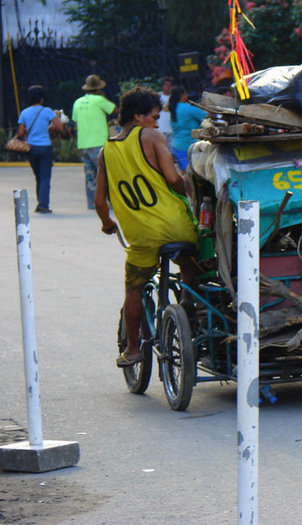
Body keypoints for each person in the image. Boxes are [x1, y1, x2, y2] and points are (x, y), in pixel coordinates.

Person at [94, 87, 198, 367]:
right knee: (191, 265)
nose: (156, 122)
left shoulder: (106, 152)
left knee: (134, 289)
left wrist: (107, 224)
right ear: (138, 116)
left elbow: (100, 202)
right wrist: (191, 187)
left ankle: (132, 348)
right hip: (177, 227)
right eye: (153, 117)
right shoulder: (151, 136)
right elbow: (174, 180)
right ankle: (187, 304)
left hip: (140, 236)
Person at [16, 85, 63, 213]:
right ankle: (43, 204)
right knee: (45, 177)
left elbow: (20, 132)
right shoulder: (47, 111)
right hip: (45, 147)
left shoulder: (24, 112)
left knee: (38, 176)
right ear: (42, 98)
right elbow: (59, 127)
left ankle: (40, 202)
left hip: (31, 148)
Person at [72, 74, 117, 209]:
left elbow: (75, 121)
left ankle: (93, 202)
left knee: (90, 175)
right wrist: (104, 98)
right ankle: (110, 202)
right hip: (98, 144)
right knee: (105, 173)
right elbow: (115, 110)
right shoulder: (99, 100)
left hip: (83, 144)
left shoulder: (78, 102)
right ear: (99, 89)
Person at [169, 86, 207, 171]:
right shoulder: (187, 108)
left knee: (185, 174)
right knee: (194, 175)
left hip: (177, 146)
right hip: (188, 146)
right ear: (182, 95)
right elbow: (206, 116)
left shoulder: (173, 108)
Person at [158, 77, 174, 148]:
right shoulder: (158, 96)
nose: (168, 87)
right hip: (160, 128)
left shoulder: (174, 97)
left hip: (171, 128)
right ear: (162, 86)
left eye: (170, 85)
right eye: (166, 85)